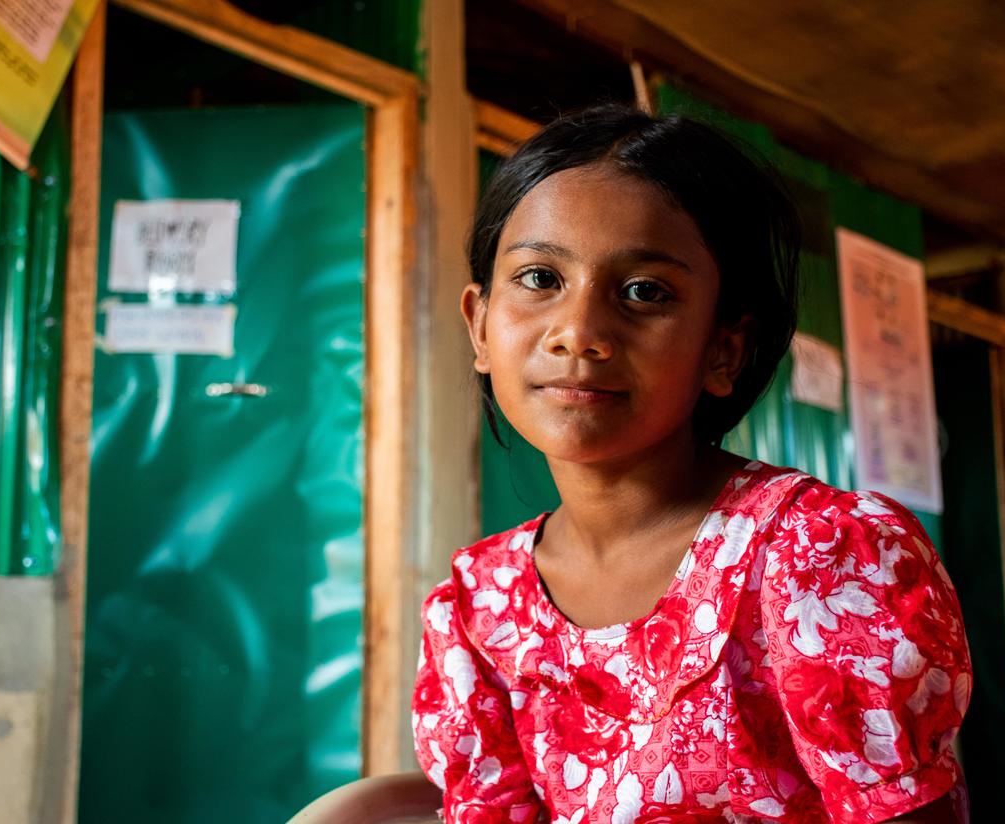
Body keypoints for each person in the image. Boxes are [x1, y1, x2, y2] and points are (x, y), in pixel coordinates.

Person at [410, 104, 971, 823]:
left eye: (645, 291)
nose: (578, 332)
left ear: (723, 351)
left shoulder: (819, 558)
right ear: (481, 326)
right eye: (540, 278)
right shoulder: (476, 609)